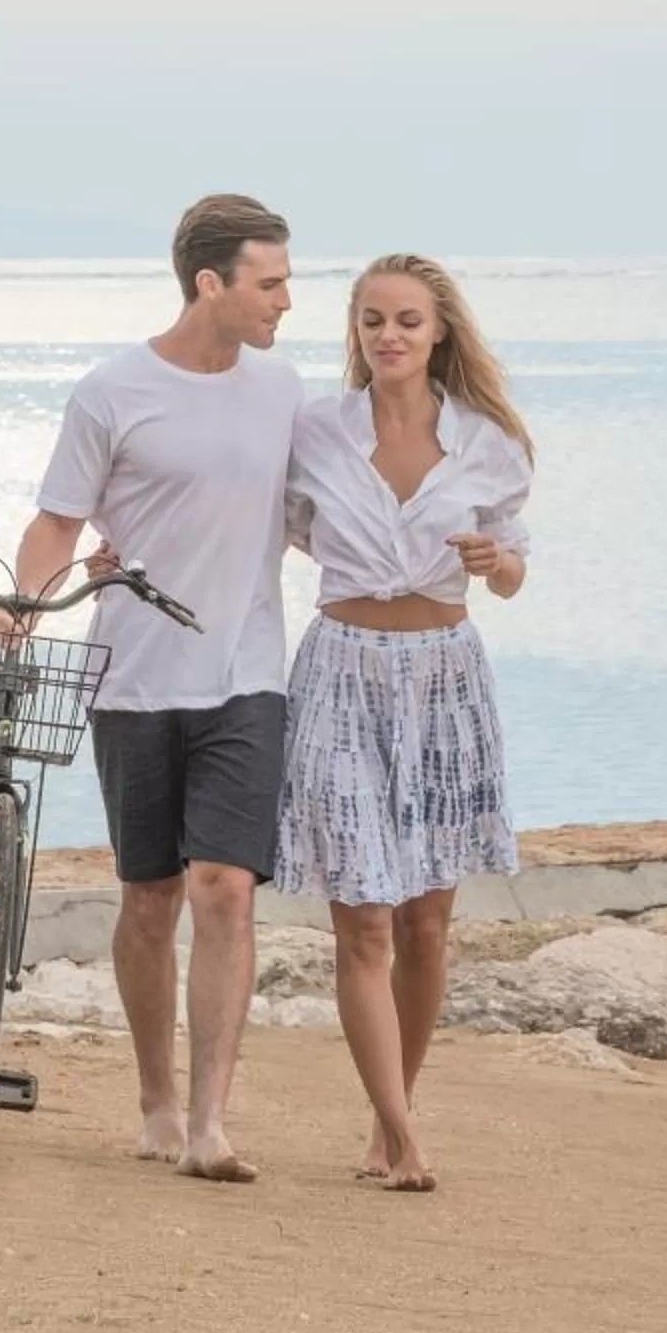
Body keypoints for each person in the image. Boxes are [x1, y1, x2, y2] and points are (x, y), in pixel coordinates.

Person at [8, 193, 302, 1183]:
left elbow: (315, 508)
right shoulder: (112, 390)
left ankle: (213, 1121)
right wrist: (23, 596)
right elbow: (58, 519)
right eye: (271, 282)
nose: (287, 301)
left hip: (248, 673)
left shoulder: (284, 390)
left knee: (225, 888)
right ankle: (156, 1098)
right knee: (150, 896)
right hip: (134, 677)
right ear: (209, 283)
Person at [280, 252, 533, 1193]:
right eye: (373, 320)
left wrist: (489, 559)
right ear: (355, 332)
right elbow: (272, 525)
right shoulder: (313, 432)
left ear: (440, 335)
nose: (388, 336)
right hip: (341, 674)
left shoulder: (489, 443)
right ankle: (404, 1137)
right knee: (365, 924)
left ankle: (390, 1122)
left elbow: (512, 572)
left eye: (408, 322)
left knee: (427, 925)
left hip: (446, 680)